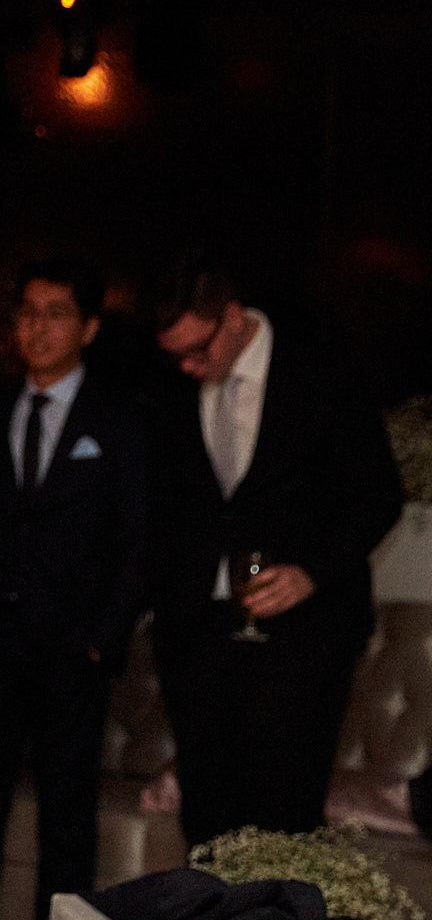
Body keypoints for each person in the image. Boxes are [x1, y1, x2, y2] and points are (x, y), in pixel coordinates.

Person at [0, 259, 149, 920]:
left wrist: (100, 641)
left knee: (65, 817)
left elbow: (139, 540)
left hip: (69, 651)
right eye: (27, 311)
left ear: (87, 326)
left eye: (55, 313)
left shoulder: (118, 416)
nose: (37, 326)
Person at [147, 253, 402, 844]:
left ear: (234, 318)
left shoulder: (322, 369)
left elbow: (378, 494)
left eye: (199, 351)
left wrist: (311, 573)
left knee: (284, 819)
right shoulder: (171, 381)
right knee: (208, 821)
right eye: (175, 355)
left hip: (304, 639)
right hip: (199, 634)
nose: (187, 367)